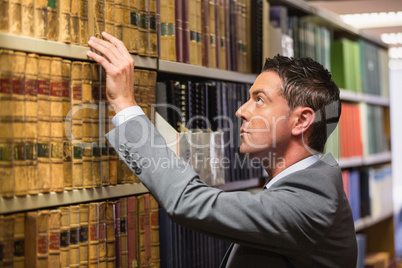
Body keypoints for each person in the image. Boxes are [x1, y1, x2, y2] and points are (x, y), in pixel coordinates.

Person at [87, 32, 357, 267]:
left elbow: (188, 201)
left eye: (259, 100)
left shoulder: (310, 204)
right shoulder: (310, 190)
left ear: (301, 120)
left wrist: (124, 103)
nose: (241, 111)